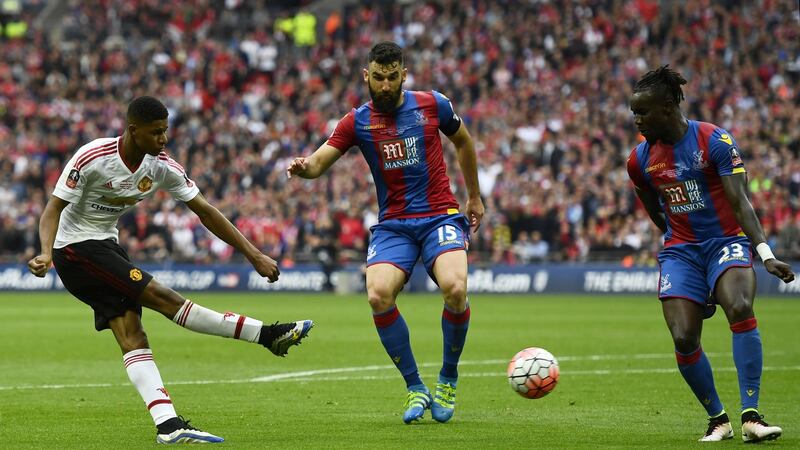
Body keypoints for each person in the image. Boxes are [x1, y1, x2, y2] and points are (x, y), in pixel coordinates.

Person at [27, 96, 314, 444]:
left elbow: (206, 212)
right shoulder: (93, 157)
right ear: (133, 131)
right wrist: (44, 253)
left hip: (106, 246)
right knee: (165, 299)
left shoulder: (162, 167)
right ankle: (266, 335)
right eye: (156, 132)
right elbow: (52, 209)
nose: (164, 139)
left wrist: (253, 255)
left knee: (133, 334)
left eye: (166, 131)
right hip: (74, 249)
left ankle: (167, 424)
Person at [286, 41, 484, 424]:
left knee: (455, 288)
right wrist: (303, 166)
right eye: (379, 77)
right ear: (367, 76)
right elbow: (319, 162)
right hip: (394, 223)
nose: (386, 85)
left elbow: (463, 140)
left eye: (393, 77)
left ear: (404, 75)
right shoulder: (357, 121)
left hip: (440, 216)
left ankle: (447, 377)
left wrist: (473, 196)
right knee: (377, 295)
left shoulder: (432, 104)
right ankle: (415, 387)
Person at [626, 66, 795, 443]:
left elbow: (741, 202)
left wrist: (765, 254)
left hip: (726, 241)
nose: (637, 120)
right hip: (681, 252)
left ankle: (752, 415)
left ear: (668, 107)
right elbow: (655, 209)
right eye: (634, 112)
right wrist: (675, 241)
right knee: (684, 338)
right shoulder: (639, 161)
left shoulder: (714, 141)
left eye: (642, 112)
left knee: (738, 306)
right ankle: (717, 419)